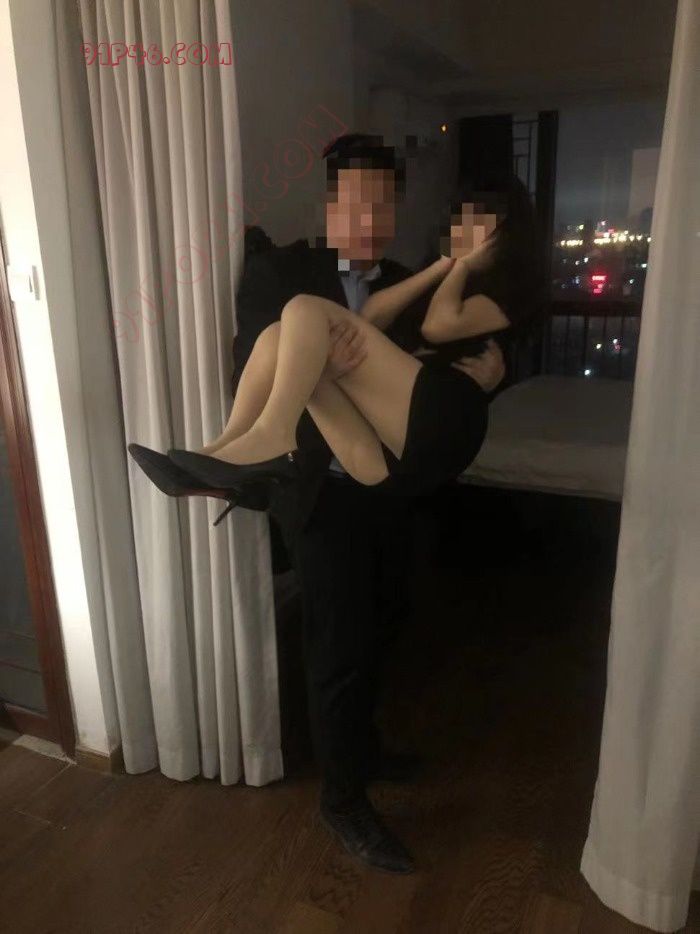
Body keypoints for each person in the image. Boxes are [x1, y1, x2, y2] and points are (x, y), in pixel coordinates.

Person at [129, 134, 509, 874]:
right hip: (320, 489)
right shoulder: (281, 271)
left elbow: (426, 383)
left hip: (391, 486)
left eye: (383, 203)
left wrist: (479, 382)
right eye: (354, 202)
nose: (368, 218)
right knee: (337, 648)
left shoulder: (407, 283)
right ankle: (343, 801)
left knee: (388, 623)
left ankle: (363, 750)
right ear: (329, 204)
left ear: (397, 209)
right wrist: (328, 358)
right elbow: (258, 361)